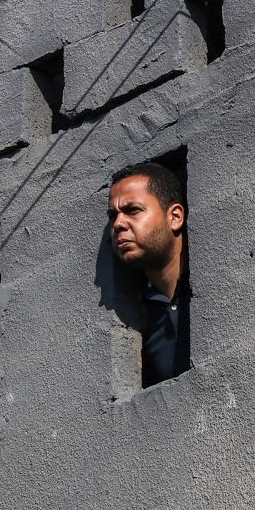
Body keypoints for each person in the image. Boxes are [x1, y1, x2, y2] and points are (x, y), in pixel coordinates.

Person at [107, 161, 190, 387]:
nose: (118, 224)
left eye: (132, 210)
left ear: (175, 217)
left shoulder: (209, 285)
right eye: (113, 216)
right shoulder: (138, 319)